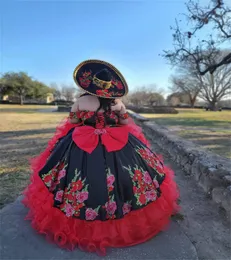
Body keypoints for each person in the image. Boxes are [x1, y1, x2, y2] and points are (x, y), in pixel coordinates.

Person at [23, 59, 179, 255]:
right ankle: (122, 219)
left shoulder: (80, 101)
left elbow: (73, 121)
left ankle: (83, 221)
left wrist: (87, 120)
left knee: (77, 180)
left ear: (91, 83)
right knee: (129, 177)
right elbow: (124, 123)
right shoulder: (116, 103)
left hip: (82, 144)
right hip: (117, 144)